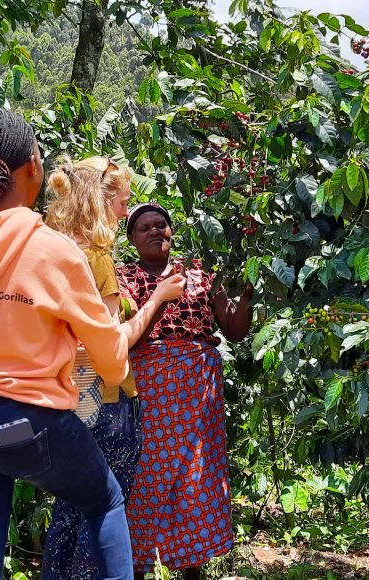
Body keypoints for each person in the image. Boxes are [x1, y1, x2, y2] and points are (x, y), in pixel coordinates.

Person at [0, 109, 184, 580]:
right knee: (103, 500)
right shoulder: (52, 250)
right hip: (22, 421)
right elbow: (109, 358)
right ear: (32, 169)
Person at [42, 156, 181, 580]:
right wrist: (158, 298)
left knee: (68, 506)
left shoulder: (53, 250)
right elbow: (112, 343)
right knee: (101, 506)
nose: (126, 211)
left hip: (64, 396)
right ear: (99, 202)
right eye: (122, 202)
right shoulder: (98, 259)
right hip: (104, 398)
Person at [117, 203, 253, 580]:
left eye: (161, 225)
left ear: (172, 232)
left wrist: (248, 294)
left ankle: (191, 570)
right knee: (146, 478)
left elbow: (235, 330)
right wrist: (160, 296)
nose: (155, 231)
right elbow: (127, 337)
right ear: (132, 239)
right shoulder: (123, 279)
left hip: (198, 395)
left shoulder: (200, 276)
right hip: (152, 392)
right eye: (145, 228)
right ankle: (136, 568)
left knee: (195, 478)